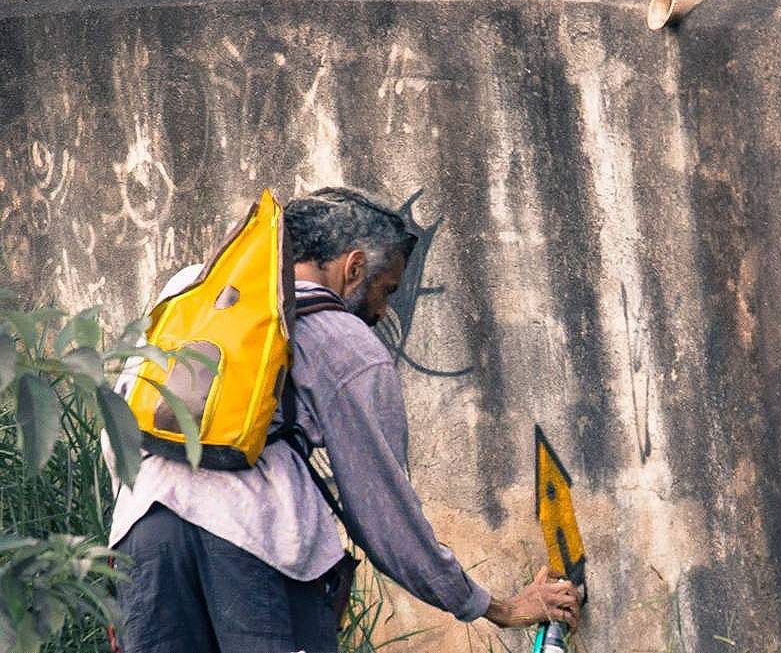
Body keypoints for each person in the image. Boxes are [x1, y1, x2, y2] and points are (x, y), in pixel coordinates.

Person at [102, 186, 582, 653]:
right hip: (256, 548)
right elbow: (387, 515)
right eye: (386, 289)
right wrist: (492, 606)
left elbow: (118, 429)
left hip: (142, 539)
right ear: (353, 267)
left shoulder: (193, 291)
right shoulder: (346, 340)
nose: (383, 309)